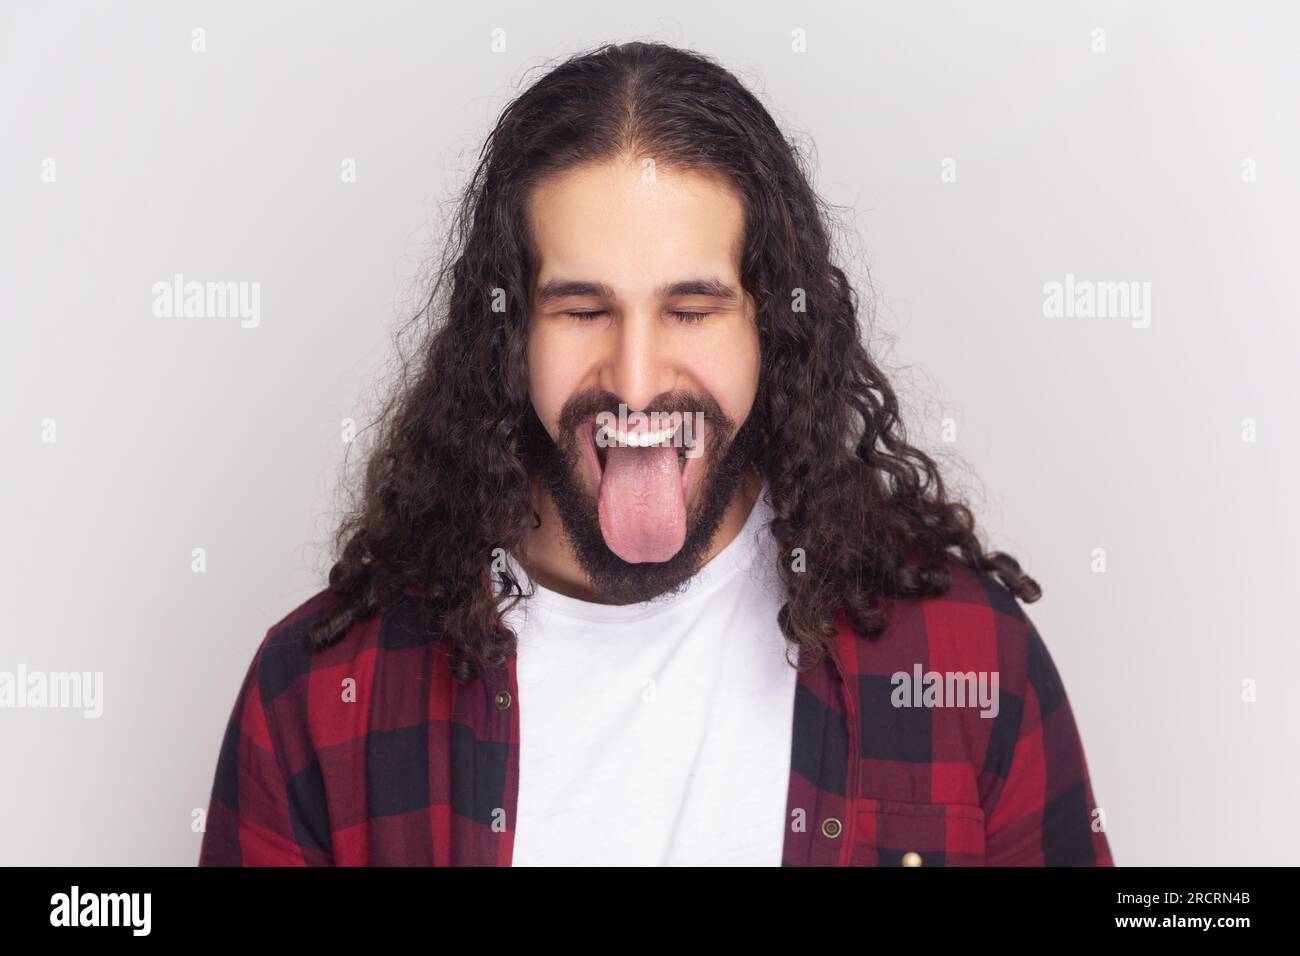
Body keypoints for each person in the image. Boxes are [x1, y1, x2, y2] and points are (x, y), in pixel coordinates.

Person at [198, 40, 1112, 867]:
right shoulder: (318, 699)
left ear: (772, 330)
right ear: (509, 333)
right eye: (583, 310)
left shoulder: (964, 661)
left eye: (691, 310)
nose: (635, 383)